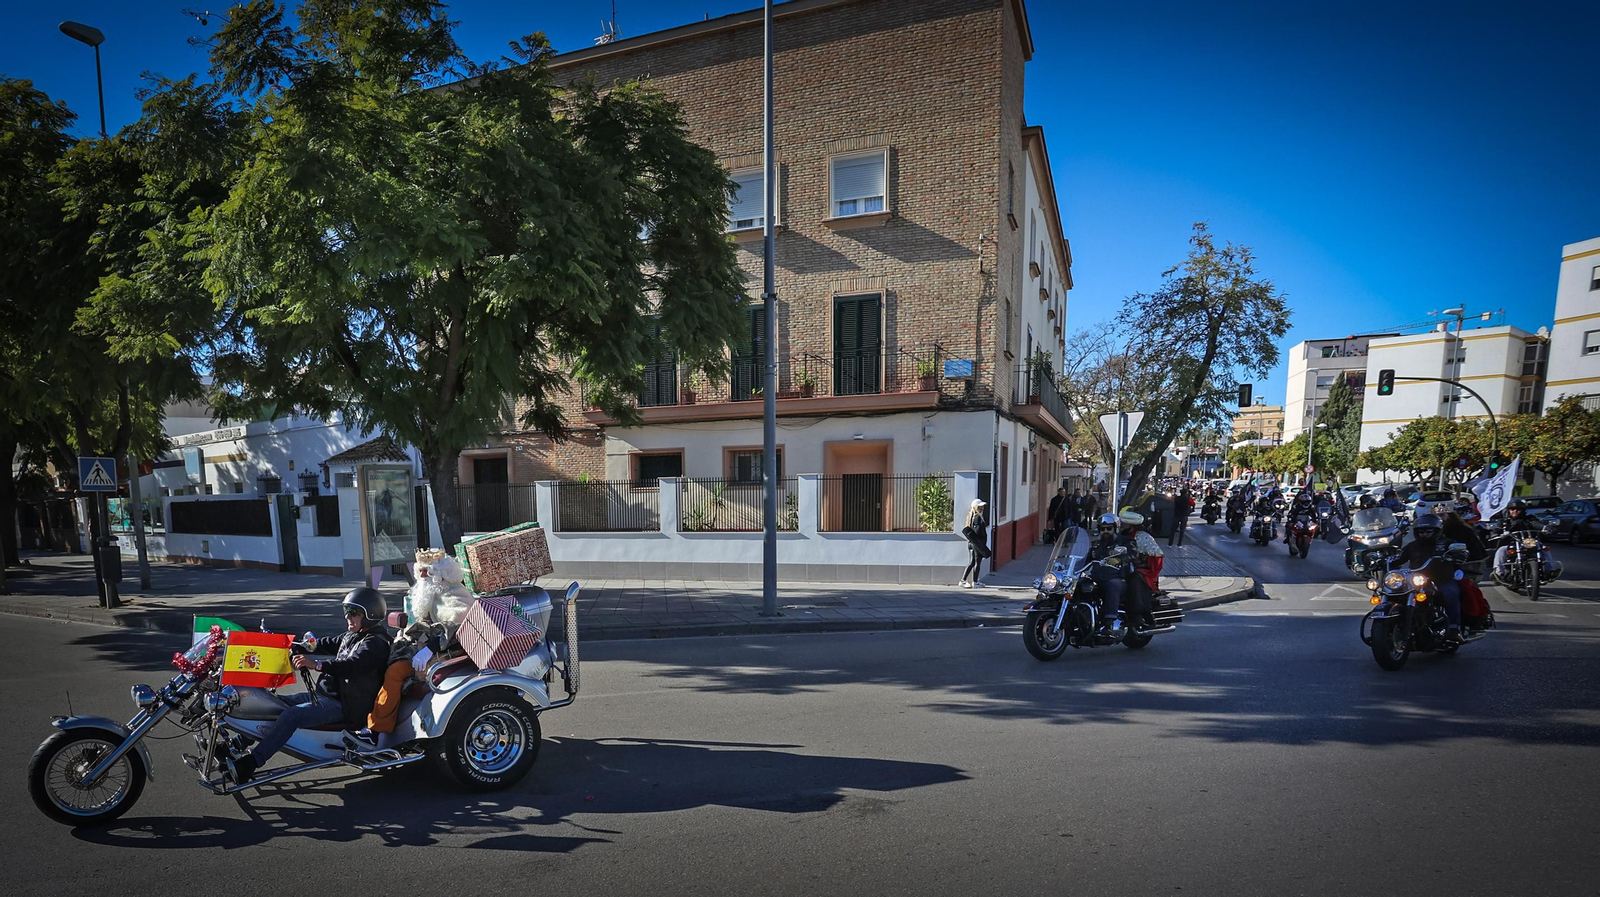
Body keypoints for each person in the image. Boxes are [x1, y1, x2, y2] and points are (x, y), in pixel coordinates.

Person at [226, 588, 394, 784]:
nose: (348, 616)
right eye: (346, 611)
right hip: (323, 696)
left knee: (292, 715)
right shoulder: (354, 635)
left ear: (370, 614)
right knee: (271, 704)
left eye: (354, 612)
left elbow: (353, 666)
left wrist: (317, 664)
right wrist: (296, 645)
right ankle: (235, 744)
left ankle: (251, 763)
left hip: (344, 706)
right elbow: (325, 643)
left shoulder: (375, 643)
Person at [1395, 514, 1464, 643]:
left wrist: (1458, 565)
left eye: (1428, 531)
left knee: (1451, 593)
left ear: (1437, 531)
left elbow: (1460, 554)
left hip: (1442, 580)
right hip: (1416, 582)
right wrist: (1379, 560)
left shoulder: (1447, 543)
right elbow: (1398, 558)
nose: (1424, 534)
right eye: (1421, 532)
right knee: (1397, 594)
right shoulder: (1412, 546)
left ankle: (1454, 629)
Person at [959, 499, 989, 588]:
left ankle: (964, 580)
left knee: (972, 562)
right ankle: (973, 582)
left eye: (982, 506)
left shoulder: (971, 517)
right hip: (977, 543)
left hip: (972, 543)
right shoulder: (977, 518)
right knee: (977, 562)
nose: (982, 508)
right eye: (980, 507)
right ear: (976, 508)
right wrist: (983, 536)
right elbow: (978, 530)